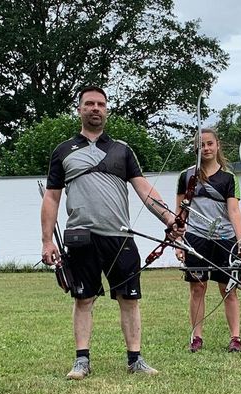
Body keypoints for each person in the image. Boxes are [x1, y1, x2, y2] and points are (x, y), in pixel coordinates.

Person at [41, 86, 183, 379]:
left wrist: (170, 217)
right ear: (79, 109)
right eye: (89, 103)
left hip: (120, 236)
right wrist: (46, 241)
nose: (95, 108)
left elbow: (143, 188)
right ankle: (81, 361)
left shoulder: (122, 149)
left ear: (107, 110)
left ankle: (135, 360)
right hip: (81, 235)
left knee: (129, 299)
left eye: (101, 104)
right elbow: (52, 197)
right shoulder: (63, 150)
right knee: (83, 299)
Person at [175, 128, 241, 353]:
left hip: (224, 238)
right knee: (197, 287)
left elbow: (234, 211)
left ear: (217, 145)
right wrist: (178, 242)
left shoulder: (228, 177)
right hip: (196, 237)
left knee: (228, 289)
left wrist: (240, 242)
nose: (206, 148)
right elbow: (180, 212)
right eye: (201, 145)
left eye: (209, 144)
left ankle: (235, 337)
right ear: (196, 148)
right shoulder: (187, 176)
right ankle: (197, 336)